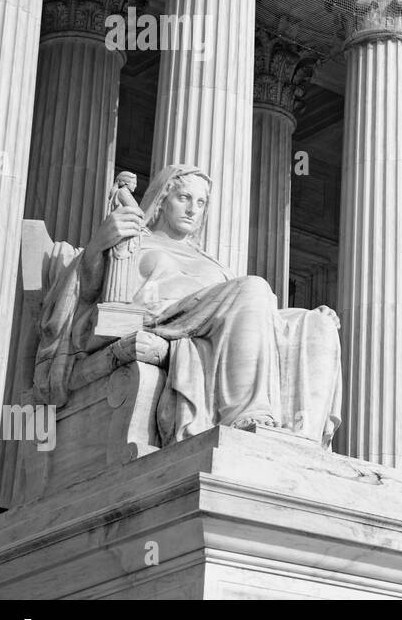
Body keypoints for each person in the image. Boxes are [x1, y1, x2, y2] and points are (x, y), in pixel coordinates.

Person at [35, 164, 342, 449]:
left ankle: (302, 441)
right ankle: (246, 419)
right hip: (158, 316)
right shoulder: (134, 242)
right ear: (162, 200)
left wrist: (303, 319)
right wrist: (96, 247)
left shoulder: (211, 262)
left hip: (208, 320)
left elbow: (252, 319)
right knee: (253, 287)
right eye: (184, 197)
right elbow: (87, 295)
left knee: (317, 326)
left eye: (201, 202)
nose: (193, 209)